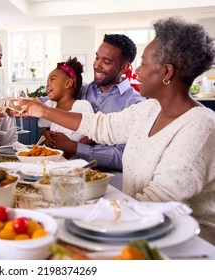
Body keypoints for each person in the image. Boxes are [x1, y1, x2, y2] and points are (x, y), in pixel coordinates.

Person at [22, 17, 215, 245]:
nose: (137, 72)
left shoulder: (200, 125)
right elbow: (102, 126)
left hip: (182, 245)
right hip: (135, 229)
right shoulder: (150, 109)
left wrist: (76, 212)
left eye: (143, 64)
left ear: (166, 72)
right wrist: (42, 110)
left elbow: (156, 201)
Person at [41, 34, 144, 170]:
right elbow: (45, 102)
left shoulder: (135, 104)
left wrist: (75, 147)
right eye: (97, 58)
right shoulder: (80, 90)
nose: (97, 65)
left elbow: (123, 156)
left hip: (109, 178)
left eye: (106, 62)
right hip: (65, 170)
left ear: (124, 68)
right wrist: (47, 134)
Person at [38, 57, 93, 158]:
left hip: (75, 160)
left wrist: (72, 148)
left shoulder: (81, 105)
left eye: (52, 79)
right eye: (47, 81)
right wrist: (44, 132)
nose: (48, 84)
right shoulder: (50, 105)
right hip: (54, 159)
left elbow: (91, 135)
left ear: (68, 83)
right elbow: (45, 128)